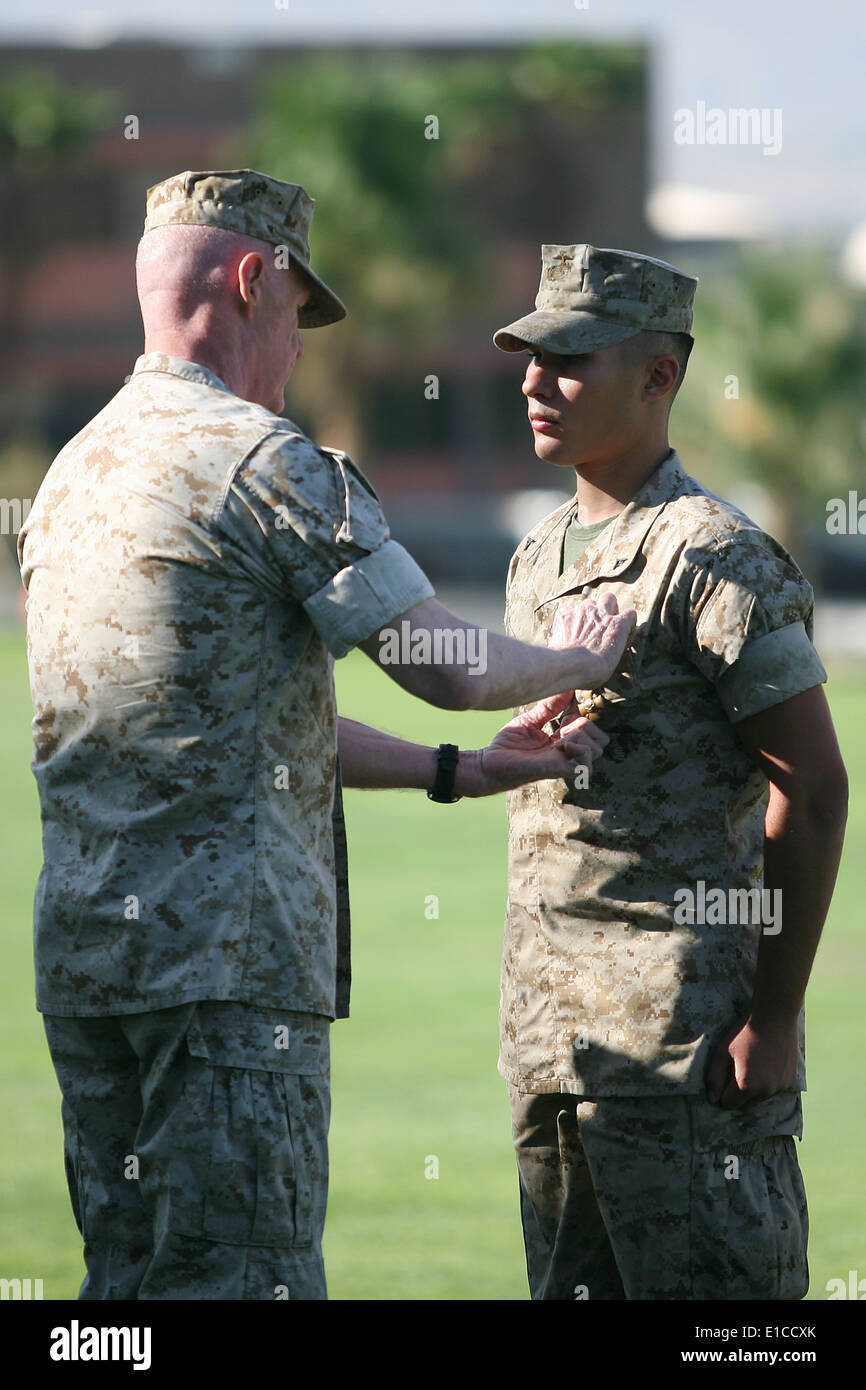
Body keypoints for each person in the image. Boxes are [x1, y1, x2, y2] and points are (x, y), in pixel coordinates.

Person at [17, 173, 634, 1301]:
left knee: (123, 1300)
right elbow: (441, 664)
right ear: (256, 280)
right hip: (228, 979)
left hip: (93, 973)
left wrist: (469, 771)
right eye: (300, 313)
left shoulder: (72, 478)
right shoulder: (262, 461)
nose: (297, 349)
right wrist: (576, 659)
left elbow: (229, 725)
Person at [492, 243, 848, 1300]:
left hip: (685, 1046)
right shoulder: (536, 553)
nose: (532, 382)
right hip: (551, 1043)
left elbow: (813, 785)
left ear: (658, 377)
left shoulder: (711, 553)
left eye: (568, 361)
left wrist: (773, 1016)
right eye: (526, 357)